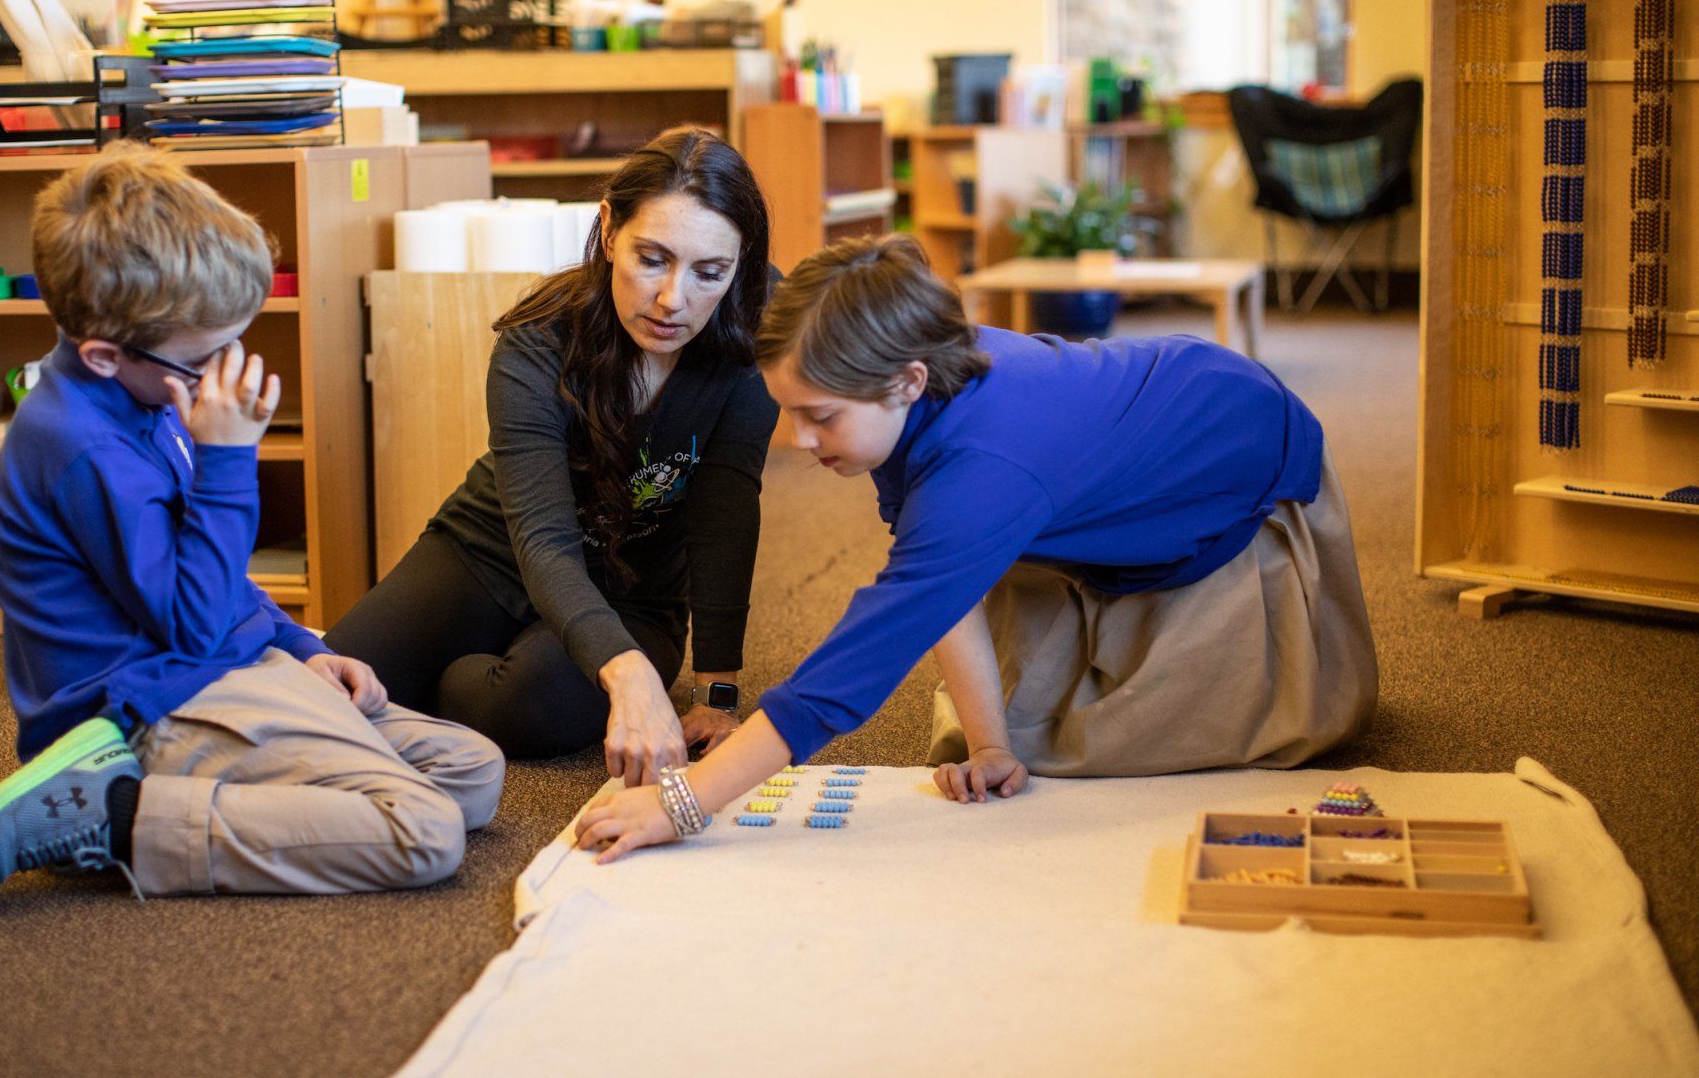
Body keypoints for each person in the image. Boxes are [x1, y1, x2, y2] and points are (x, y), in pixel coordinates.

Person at [575, 233, 1377, 861]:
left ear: (908, 382)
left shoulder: (982, 468)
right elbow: (935, 587)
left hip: (1243, 470)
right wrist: (992, 744)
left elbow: (858, 663)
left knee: (1091, 746)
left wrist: (685, 805)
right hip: (1128, 447)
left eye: (821, 415)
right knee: (1008, 729)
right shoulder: (913, 387)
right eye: (792, 411)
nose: (800, 439)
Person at [0, 143, 504, 907]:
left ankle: (202, 800)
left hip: (223, 664)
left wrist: (300, 645)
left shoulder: (145, 398)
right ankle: (114, 817)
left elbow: (211, 580)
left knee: (472, 772)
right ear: (106, 356)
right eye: (203, 360)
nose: (224, 375)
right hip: (150, 704)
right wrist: (226, 461)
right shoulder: (81, 447)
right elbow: (192, 623)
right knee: (428, 830)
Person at [322, 127, 779, 789]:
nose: (673, 299)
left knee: (531, 705)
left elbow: (725, 512)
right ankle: (456, 668)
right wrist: (627, 677)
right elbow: (542, 540)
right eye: (652, 259)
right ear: (610, 228)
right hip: (492, 548)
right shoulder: (537, 341)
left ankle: (446, 682)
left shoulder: (755, 334)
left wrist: (716, 691)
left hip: (635, 591)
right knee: (331, 682)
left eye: (710, 272)